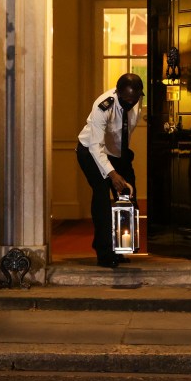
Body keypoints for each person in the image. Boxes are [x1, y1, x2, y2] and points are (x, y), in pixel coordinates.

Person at [76, 73, 143, 268]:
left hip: (116, 152)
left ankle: (121, 249)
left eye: (134, 99)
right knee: (102, 197)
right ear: (118, 93)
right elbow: (96, 146)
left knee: (127, 195)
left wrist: (121, 166)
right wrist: (112, 174)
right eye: (126, 99)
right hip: (90, 152)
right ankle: (104, 253)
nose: (130, 103)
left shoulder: (136, 100)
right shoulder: (103, 105)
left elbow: (124, 134)